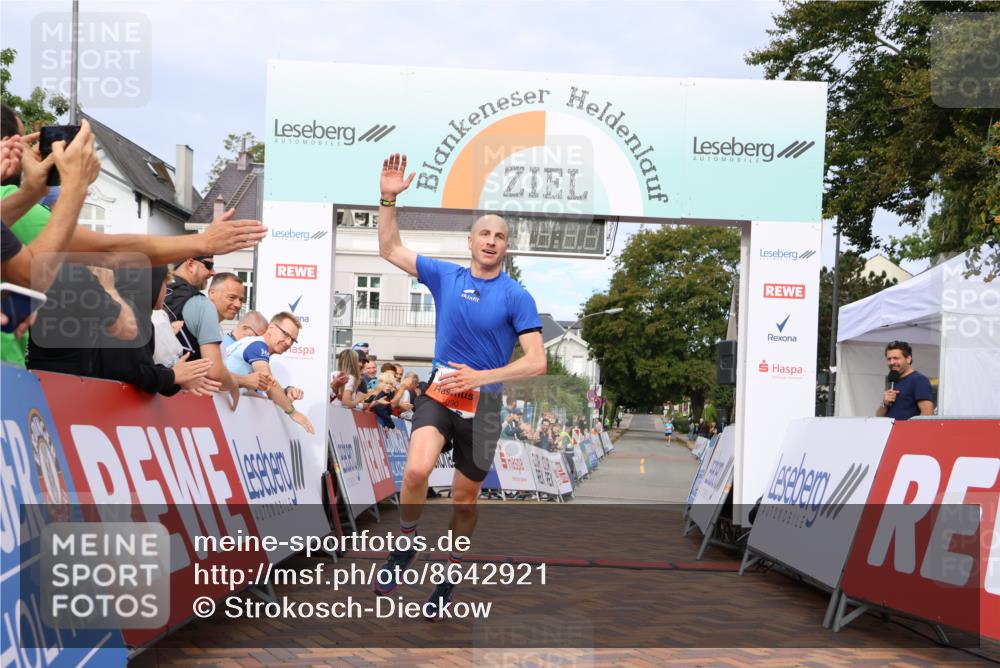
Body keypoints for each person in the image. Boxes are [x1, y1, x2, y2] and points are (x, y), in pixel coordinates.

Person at [371, 153, 546, 619]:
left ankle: (448, 575)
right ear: (470, 241)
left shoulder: (517, 296)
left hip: (485, 408)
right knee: (415, 471)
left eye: (499, 236)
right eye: (484, 234)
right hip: (441, 392)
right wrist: (387, 198)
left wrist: (483, 377)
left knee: (464, 502)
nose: (491, 241)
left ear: (506, 247)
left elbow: (537, 362)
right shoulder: (445, 276)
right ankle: (405, 545)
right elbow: (389, 248)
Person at [99, 266, 220, 397]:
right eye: (165, 285)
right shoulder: (123, 319)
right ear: (151, 286)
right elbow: (127, 372)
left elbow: (146, 370)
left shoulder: (141, 318)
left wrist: (177, 378)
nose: (166, 291)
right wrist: (172, 375)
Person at [163, 262, 243, 405]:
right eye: (231, 298)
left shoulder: (167, 294)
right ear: (212, 293)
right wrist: (233, 385)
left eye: (241, 300)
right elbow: (215, 372)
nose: (238, 304)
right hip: (184, 401)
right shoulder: (202, 304)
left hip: (161, 393)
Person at [223, 311, 315, 434]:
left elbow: (251, 390)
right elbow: (269, 385)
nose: (288, 343)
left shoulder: (255, 346)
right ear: (271, 327)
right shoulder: (258, 345)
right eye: (286, 334)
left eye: (293, 340)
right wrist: (293, 412)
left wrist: (284, 394)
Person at [876, 340, 934, 420]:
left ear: (908, 359)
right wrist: (884, 403)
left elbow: (927, 413)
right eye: (889, 359)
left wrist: (910, 428)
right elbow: (878, 417)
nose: (892, 362)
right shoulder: (892, 380)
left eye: (896, 358)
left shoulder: (919, 380)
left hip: (908, 428)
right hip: (889, 428)